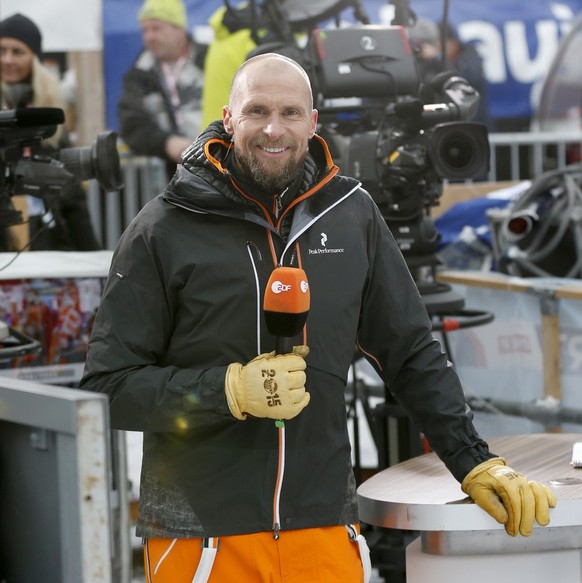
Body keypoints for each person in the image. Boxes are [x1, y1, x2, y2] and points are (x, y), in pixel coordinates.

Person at [80, 53, 556, 582]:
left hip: (323, 526)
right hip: (204, 537)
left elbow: (411, 350)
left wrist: (474, 461)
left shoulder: (352, 212)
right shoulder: (164, 226)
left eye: (290, 112)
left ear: (313, 121)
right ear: (228, 117)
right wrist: (228, 390)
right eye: (257, 111)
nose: (273, 128)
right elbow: (109, 385)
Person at [0, 13, 101, 252]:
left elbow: (71, 191)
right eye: (1, 50)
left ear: (34, 58)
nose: (7, 60)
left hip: (46, 239)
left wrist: (93, 256)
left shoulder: (48, 113)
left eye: (18, 52)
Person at [118, 0, 206, 180]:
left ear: (179, 29)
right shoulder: (139, 74)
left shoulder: (209, 59)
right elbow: (131, 125)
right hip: (174, 178)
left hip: (222, 164)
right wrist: (167, 142)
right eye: (145, 30)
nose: (149, 37)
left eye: (156, 28)